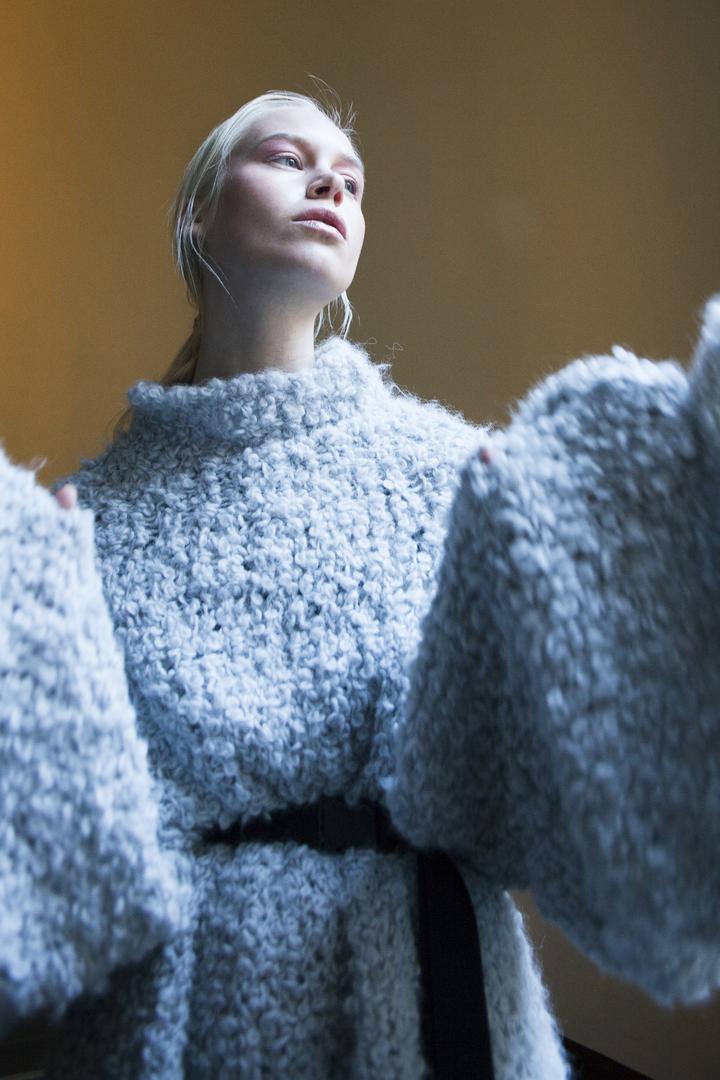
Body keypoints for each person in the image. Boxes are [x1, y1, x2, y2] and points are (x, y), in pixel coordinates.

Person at [1, 87, 719, 1079]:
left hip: (436, 1007)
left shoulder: (458, 474)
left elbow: (553, 770)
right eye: (287, 159)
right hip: (173, 1022)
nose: (332, 184)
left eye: (351, 178)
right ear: (197, 214)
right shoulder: (84, 521)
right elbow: (58, 867)